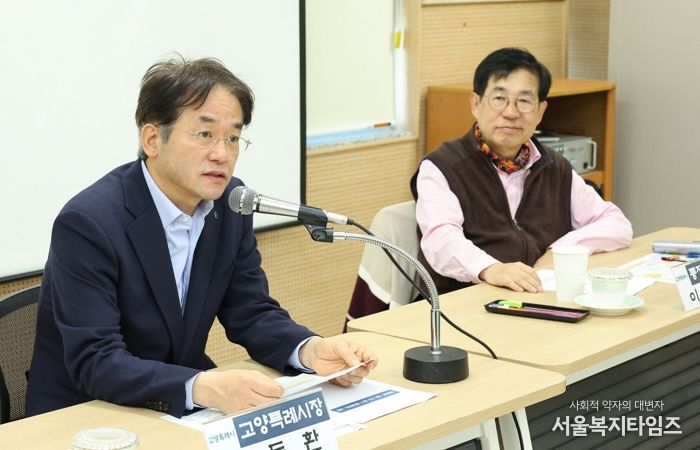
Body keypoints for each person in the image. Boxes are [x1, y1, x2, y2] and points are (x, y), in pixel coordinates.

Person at [25, 56, 377, 418]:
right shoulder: (88, 224)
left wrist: (309, 350)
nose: (222, 154)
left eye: (233, 138)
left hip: (178, 407)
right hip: (85, 415)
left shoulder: (230, 204)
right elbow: (96, 360)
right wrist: (203, 387)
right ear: (152, 139)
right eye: (204, 134)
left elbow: (251, 312)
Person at [410, 47, 632, 295]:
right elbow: (440, 240)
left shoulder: (554, 166)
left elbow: (616, 224)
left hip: (537, 297)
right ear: (475, 104)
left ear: (540, 112)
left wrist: (559, 251)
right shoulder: (442, 167)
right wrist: (491, 269)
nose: (511, 113)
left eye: (524, 101)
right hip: (461, 303)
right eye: (499, 98)